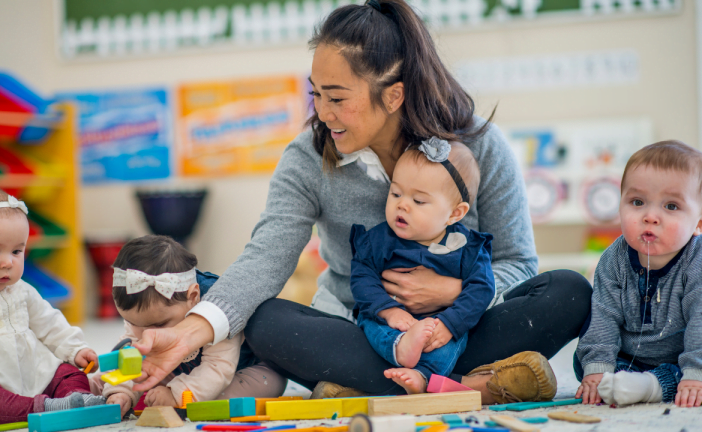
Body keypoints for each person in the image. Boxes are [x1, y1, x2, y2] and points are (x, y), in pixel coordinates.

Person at [130, 0, 592, 404]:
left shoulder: (479, 146)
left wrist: (453, 297)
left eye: (336, 98)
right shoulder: (308, 157)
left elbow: (518, 261)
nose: (322, 113)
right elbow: (265, 258)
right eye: (316, 95)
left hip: (464, 325)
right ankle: (472, 385)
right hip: (363, 331)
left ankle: (382, 385)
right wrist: (191, 329)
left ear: (393, 95)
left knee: (570, 292)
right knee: (267, 321)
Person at [0, 185, 105, 426]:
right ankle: (44, 407)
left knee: (67, 372)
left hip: (32, 374)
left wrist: (75, 349)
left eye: (17, 250)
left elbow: (50, 324)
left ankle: (75, 398)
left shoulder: (21, 290)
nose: (8, 262)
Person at [351, 140, 493, 394]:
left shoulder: (467, 247)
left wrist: (450, 324)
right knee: (370, 324)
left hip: (440, 322)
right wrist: (389, 311)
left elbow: (481, 289)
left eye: (418, 200)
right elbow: (362, 279)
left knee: (450, 343)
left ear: (454, 214)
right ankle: (400, 348)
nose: (402, 205)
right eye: (395, 194)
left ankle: (422, 377)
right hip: (389, 320)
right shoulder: (377, 241)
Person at [97, 236, 286, 417]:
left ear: (193, 297)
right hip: (179, 371)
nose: (145, 333)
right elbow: (131, 357)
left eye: (159, 325)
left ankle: (181, 397)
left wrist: (176, 393)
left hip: (241, 369)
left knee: (260, 384)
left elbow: (218, 368)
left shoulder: (219, 307)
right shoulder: (145, 317)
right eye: (132, 323)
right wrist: (121, 392)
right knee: (113, 378)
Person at [575, 141, 702, 408]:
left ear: (698, 223)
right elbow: (603, 315)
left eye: (671, 206)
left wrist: (695, 374)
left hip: (685, 356)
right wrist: (598, 368)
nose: (650, 216)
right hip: (628, 357)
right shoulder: (614, 259)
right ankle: (630, 382)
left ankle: (654, 386)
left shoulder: (696, 261)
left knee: (694, 379)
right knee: (586, 363)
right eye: (637, 202)